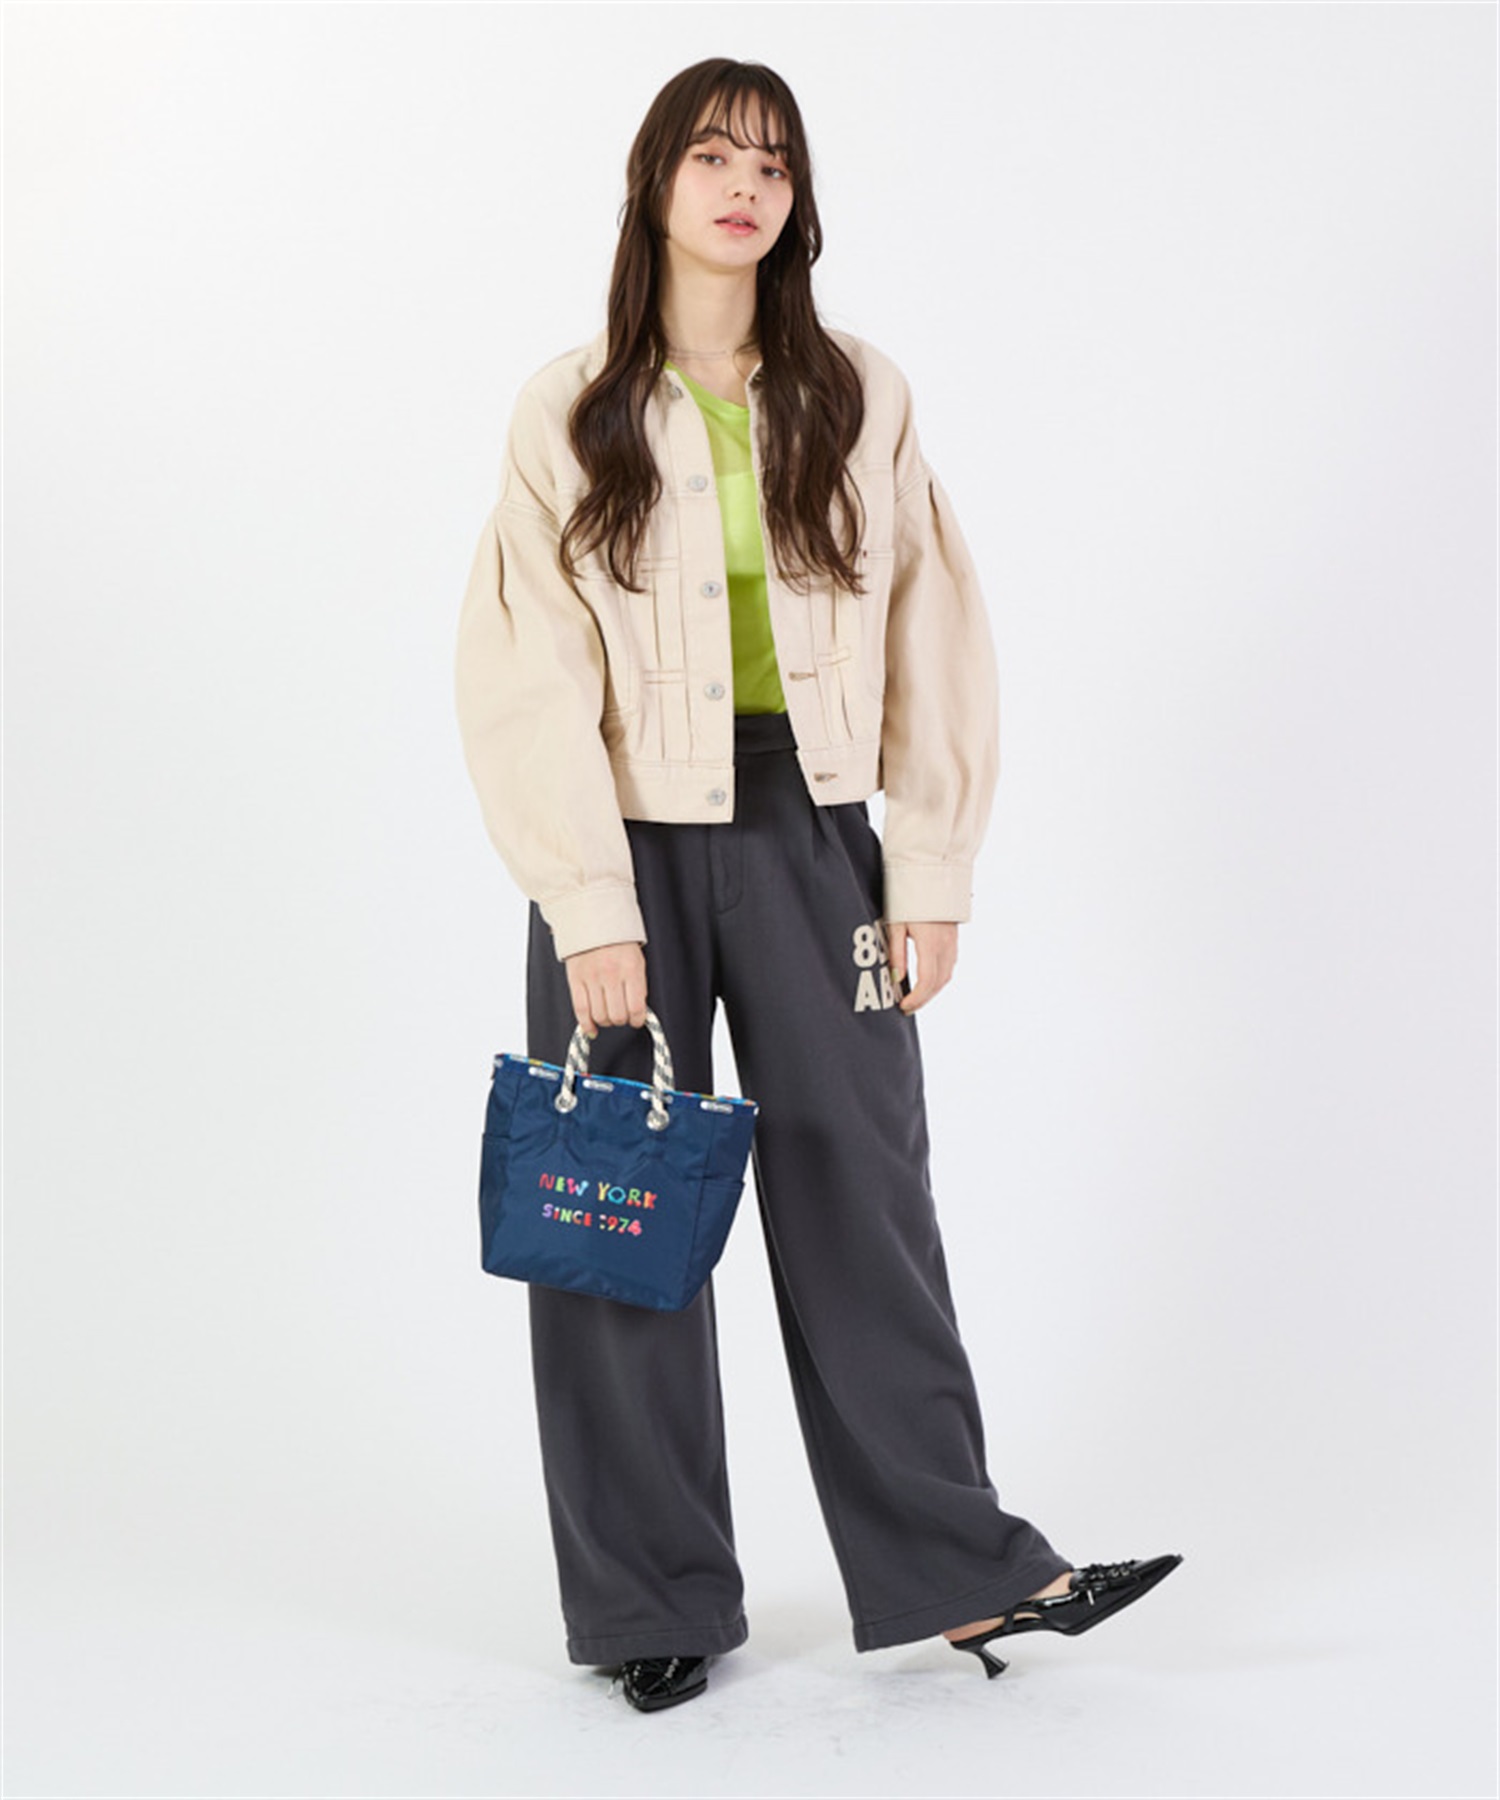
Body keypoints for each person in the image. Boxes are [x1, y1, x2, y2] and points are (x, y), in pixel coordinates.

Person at [455, 57, 1182, 1713]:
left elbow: (935, 623)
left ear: (799, 203)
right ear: (655, 185)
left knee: (865, 1187)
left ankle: (962, 1572)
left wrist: (929, 866)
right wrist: (589, 906)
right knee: (619, 1211)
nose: (745, 187)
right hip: (624, 834)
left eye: (774, 164)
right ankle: (649, 1601)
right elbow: (523, 671)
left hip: (813, 830)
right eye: (714, 156)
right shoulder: (569, 406)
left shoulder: (859, 393)